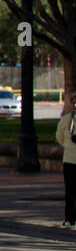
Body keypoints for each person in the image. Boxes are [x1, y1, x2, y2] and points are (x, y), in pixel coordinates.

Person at [57, 92, 76, 227]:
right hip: (69, 160)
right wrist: (68, 146)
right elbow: (59, 136)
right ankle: (69, 218)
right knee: (70, 192)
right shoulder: (67, 120)